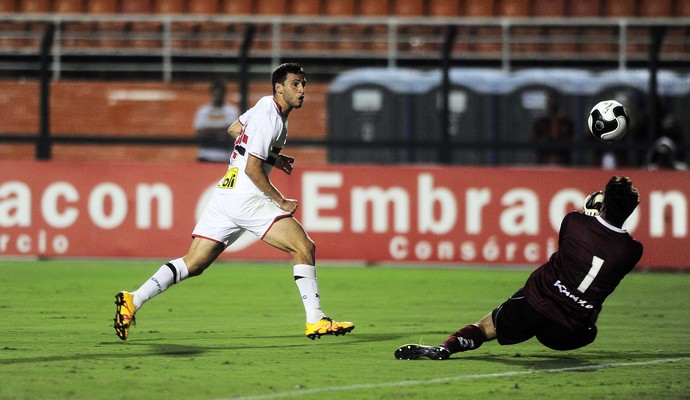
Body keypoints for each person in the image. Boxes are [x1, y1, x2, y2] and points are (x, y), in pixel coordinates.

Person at [114, 63, 354, 341]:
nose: (302, 91)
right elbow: (253, 169)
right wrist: (280, 200)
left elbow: (233, 129)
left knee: (193, 263)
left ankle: (133, 299)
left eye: (303, 84)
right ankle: (315, 320)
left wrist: (273, 158)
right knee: (304, 247)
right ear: (279, 88)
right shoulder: (271, 119)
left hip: (226, 193)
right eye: (295, 85)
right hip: (246, 196)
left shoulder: (265, 105)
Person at [395, 176, 642, 360]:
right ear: (630, 212)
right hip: (566, 330)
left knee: (486, 327)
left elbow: (577, 246)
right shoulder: (632, 251)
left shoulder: (574, 221)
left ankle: (446, 347)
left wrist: (593, 211)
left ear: (604, 203)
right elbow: (601, 244)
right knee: (591, 326)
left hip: (534, 303)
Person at [194, 80, 240, 162]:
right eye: (215, 93)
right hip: (205, 155)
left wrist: (210, 131)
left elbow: (234, 133)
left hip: (226, 157)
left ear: (224, 94)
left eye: (220, 93)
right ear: (211, 93)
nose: (217, 96)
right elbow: (200, 133)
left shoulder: (232, 111)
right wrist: (223, 130)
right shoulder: (203, 111)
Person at [532, 94, 574, 166]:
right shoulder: (541, 122)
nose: (552, 103)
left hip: (562, 161)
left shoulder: (566, 122)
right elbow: (534, 141)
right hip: (544, 161)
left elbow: (572, 141)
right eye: (550, 101)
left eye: (554, 101)